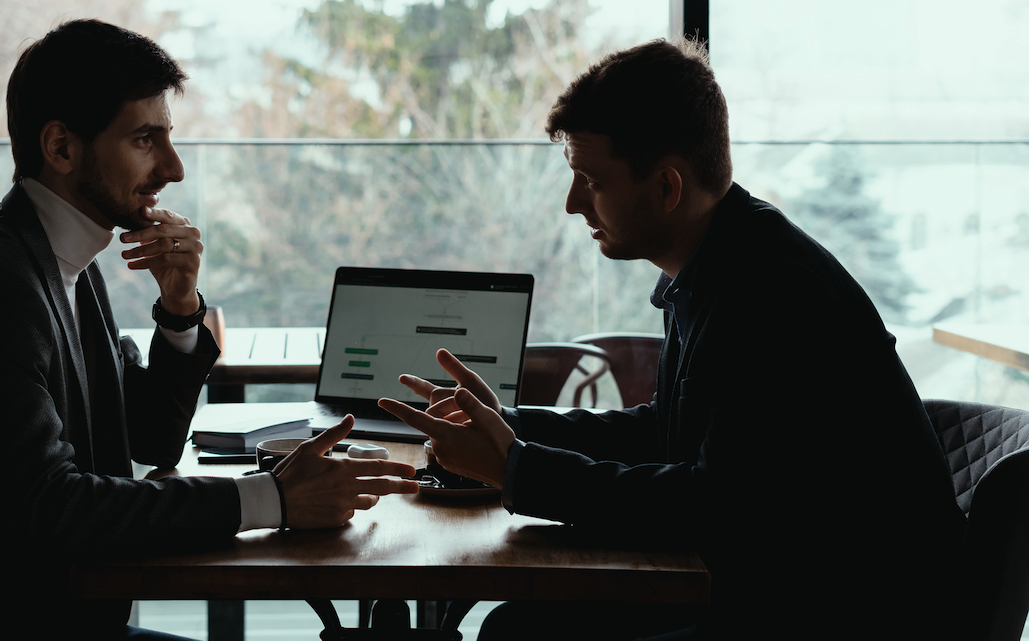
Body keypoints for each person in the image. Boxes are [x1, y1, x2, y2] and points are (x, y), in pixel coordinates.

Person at [0, 19, 418, 640]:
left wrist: (180, 308)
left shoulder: (67, 264)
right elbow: (52, 509)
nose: (174, 168)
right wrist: (271, 498)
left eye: (168, 138)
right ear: (61, 148)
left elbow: (152, 438)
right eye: (145, 139)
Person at [380, 39, 965, 640]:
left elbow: (712, 508)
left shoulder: (769, 293)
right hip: (786, 581)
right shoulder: (721, 264)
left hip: (850, 611)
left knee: (520, 632)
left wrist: (518, 470)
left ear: (666, 187)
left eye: (590, 179)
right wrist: (508, 426)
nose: (573, 203)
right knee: (518, 626)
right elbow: (668, 433)